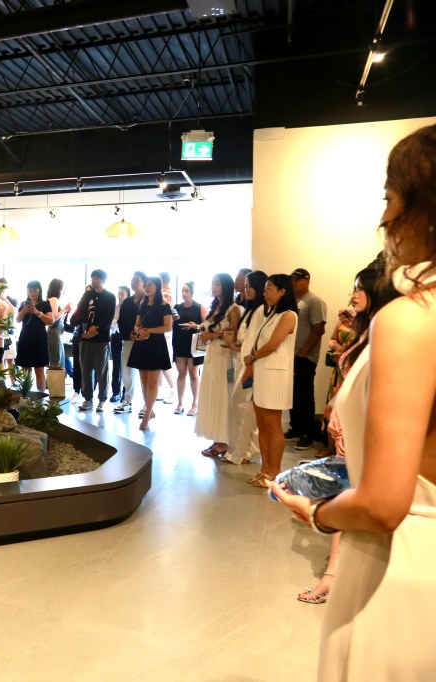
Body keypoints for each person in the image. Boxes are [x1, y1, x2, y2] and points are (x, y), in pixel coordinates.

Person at [271, 124, 436, 679]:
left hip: (400, 562)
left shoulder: (411, 320)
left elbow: (383, 504)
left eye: (390, 199)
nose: (383, 221)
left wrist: (316, 511)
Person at [294, 265, 396, 606]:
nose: (354, 295)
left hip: (364, 429)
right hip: (347, 424)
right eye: (354, 288)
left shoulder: (387, 333)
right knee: (345, 493)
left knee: (349, 495)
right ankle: (338, 573)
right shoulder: (366, 328)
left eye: (361, 288)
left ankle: (334, 576)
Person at [243, 274, 298, 486]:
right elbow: (260, 342)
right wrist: (251, 362)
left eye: (269, 288)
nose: (265, 293)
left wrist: (252, 358)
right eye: (265, 288)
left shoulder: (289, 315)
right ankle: (264, 468)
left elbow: (273, 345)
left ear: (282, 291)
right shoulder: (273, 314)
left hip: (275, 376)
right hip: (263, 373)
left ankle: (274, 471)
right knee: (262, 425)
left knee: (273, 425)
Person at [221, 270, 267, 465]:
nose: (246, 289)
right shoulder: (250, 309)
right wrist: (234, 346)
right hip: (243, 361)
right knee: (242, 407)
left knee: (243, 407)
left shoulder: (261, 311)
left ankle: (240, 453)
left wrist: (248, 363)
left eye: (250, 286)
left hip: (250, 364)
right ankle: (245, 451)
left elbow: (257, 343)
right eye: (245, 286)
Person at [195, 274, 242, 458]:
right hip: (212, 355)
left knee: (223, 396)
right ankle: (217, 437)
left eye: (218, 284)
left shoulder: (233, 308)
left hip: (224, 356)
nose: (214, 287)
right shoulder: (216, 306)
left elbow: (236, 334)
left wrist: (213, 335)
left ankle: (224, 441)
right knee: (213, 395)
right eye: (212, 283)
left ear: (226, 286)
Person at [288, 268, 328, 451]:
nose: (294, 283)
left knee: (304, 394)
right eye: (292, 280)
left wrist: (304, 352)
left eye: (297, 279)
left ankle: (307, 434)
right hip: (291, 356)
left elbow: (319, 329)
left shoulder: (314, 301)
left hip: (305, 357)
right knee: (292, 393)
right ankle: (296, 428)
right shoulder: (294, 301)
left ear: (307, 280)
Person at [127, 276, 173, 430]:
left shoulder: (164, 305)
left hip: (156, 344)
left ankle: (146, 414)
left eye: (150, 285)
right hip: (142, 343)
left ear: (157, 287)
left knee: (153, 380)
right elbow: (136, 324)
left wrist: (149, 331)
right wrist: (139, 330)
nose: (146, 288)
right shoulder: (143, 305)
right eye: (145, 285)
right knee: (143, 378)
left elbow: (168, 327)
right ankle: (149, 409)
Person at [72, 269, 116, 412]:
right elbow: (79, 312)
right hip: (85, 338)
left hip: (101, 339)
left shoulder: (110, 296)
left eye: (96, 278)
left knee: (101, 371)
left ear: (103, 280)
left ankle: (102, 399)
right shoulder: (87, 295)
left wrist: (95, 329)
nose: (93, 280)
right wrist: (88, 328)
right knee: (85, 370)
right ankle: (87, 398)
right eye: (92, 278)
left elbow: (108, 318)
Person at [171, 281, 207, 416]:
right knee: (181, 373)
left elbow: (207, 326)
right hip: (180, 342)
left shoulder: (200, 307)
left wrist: (195, 326)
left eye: (186, 291)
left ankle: (195, 404)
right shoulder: (177, 307)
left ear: (192, 292)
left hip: (194, 344)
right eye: (182, 290)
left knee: (193, 373)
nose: (183, 293)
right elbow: (171, 324)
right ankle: (180, 402)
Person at [114, 272, 145, 415]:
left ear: (144, 282)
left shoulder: (148, 301)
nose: (133, 282)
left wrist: (138, 334)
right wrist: (129, 334)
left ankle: (147, 404)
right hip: (128, 340)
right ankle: (127, 400)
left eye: (137, 280)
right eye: (132, 280)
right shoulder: (127, 302)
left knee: (145, 373)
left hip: (145, 341)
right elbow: (121, 322)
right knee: (126, 370)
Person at [15, 280, 53, 391]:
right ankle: (26, 395)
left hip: (39, 340)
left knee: (39, 370)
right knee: (25, 370)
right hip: (25, 339)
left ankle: (41, 396)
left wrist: (37, 312)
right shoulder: (23, 304)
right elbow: (17, 320)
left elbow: (50, 321)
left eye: (34, 290)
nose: (32, 293)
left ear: (39, 291)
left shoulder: (45, 304)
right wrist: (24, 311)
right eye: (30, 290)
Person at [157, 270, 178, 404]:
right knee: (159, 362)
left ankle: (173, 390)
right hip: (162, 331)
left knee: (163, 361)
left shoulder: (164, 294)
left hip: (163, 331)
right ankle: (160, 390)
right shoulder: (166, 293)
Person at [109, 285, 130, 402]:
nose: (120, 296)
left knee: (126, 365)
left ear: (127, 295)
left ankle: (125, 392)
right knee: (116, 364)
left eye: (122, 294)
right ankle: (115, 392)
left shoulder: (130, 307)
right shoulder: (115, 307)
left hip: (126, 336)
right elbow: (111, 322)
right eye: (119, 294)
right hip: (115, 335)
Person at [46, 278, 71, 369]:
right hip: (54, 333)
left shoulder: (54, 300)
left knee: (58, 357)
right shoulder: (54, 299)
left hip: (57, 332)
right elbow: (54, 318)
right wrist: (65, 309)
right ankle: (55, 378)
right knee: (56, 359)